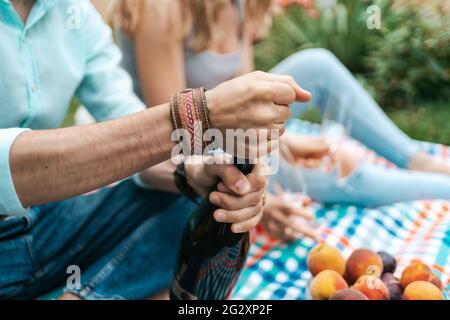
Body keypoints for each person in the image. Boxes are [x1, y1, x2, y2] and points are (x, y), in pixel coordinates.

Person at [0, 0, 311, 299]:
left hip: (46, 222)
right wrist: (198, 114)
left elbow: (128, 125)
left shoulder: (73, 12)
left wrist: (193, 174)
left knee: (201, 201)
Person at [108, 0, 450, 242]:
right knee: (342, 171)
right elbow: (178, 133)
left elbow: (246, 100)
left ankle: (415, 159)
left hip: (226, 134)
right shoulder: (160, 7)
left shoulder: (236, 5)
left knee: (318, 64)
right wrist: (260, 187)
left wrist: (284, 141)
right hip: (176, 152)